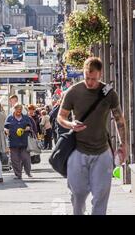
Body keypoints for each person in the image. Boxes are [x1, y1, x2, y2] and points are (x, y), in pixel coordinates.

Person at [57, 57, 127, 215]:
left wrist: (123, 144)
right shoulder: (73, 92)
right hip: (78, 151)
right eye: (86, 77)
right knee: (78, 195)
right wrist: (71, 124)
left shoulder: (109, 93)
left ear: (100, 74)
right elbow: (60, 117)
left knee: (101, 196)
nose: (89, 82)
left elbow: (119, 119)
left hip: (102, 152)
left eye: (93, 79)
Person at [4, 103, 33, 179]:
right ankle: (18, 174)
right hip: (13, 141)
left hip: (24, 141)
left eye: (20, 109)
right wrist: (6, 130)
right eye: (17, 109)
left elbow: (30, 126)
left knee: (26, 158)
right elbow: (5, 127)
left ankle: (28, 171)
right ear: (14, 109)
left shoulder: (26, 118)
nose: (19, 111)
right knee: (14, 159)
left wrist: (28, 128)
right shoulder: (9, 118)